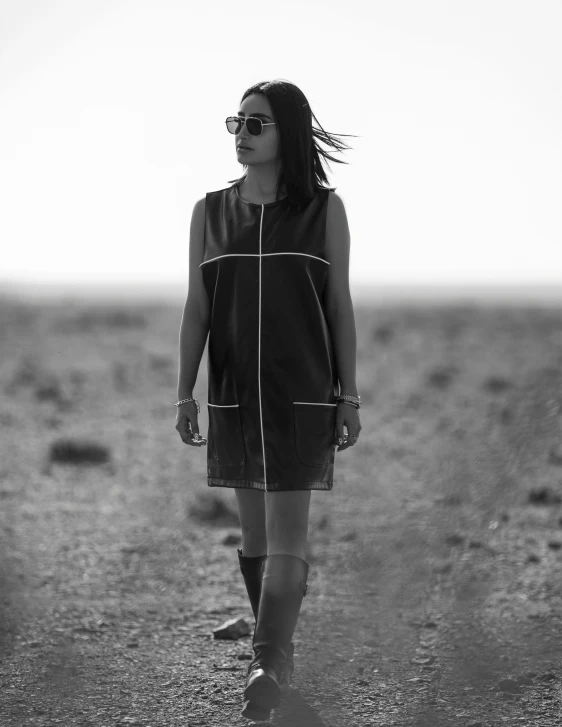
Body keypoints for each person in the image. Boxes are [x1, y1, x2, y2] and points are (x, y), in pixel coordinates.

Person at [175, 79, 362, 721]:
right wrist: (184, 393)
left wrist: (350, 395)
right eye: (236, 122)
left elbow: (338, 307)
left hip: (302, 395)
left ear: (287, 132)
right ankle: (274, 652)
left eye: (256, 124)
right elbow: (198, 307)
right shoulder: (209, 211)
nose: (241, 134)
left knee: (287, 536)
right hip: (233, 396)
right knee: (253, 536)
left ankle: (267, 661)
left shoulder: (323, 211)